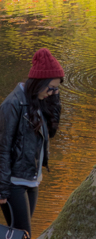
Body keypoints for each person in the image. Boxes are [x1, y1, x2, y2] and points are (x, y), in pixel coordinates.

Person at [0, 48, 64, 238]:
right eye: (51, 87)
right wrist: (2, 188)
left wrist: (55, 100)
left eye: (57, 88)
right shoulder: (12, 104)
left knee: (21, 234)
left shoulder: (39, 100)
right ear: (39, 83)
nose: (53, 92)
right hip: (13, 183)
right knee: (22, 234)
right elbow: (2, 148)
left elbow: (51, 133)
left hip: (32, 179)